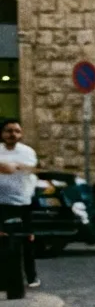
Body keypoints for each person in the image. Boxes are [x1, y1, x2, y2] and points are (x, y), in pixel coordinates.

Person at [0, 119, 39, 288]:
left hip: (22, 202)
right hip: (2, 202)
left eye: (16, 131)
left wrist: (14, 165)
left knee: (27, 239)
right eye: (8, 131)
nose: (12, 134)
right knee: (3, 240)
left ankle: (31, 276)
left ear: (21, 134)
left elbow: (28, 167)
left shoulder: (27, 151)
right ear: (2, 133)